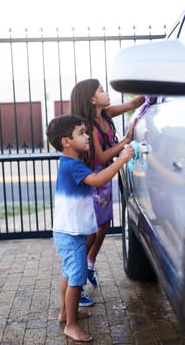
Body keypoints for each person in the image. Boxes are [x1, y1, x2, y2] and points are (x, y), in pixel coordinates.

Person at [46, 114, 134, 342]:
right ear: (66, 141)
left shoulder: (70, 163)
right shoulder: (73, 166)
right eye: (82, 133)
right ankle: (71, 325)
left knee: (69, 272)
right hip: (71, 233)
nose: (87, 137)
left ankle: (66, 313)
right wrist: (121, 159)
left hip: (70, 231)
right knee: (76, 277)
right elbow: (98, 180)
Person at [70, 78, 145, 287]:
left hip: (104, 179)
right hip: (94, 181)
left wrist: (150, 92)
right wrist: (124, 143)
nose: (107, 92)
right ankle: (78, 277)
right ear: (92, 99)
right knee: (91, 232)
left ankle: (89, 265)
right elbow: (101, 158)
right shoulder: (90, 126)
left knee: (103, 225)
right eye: (102, 90)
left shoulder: (106, 114)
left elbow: (132, 104)